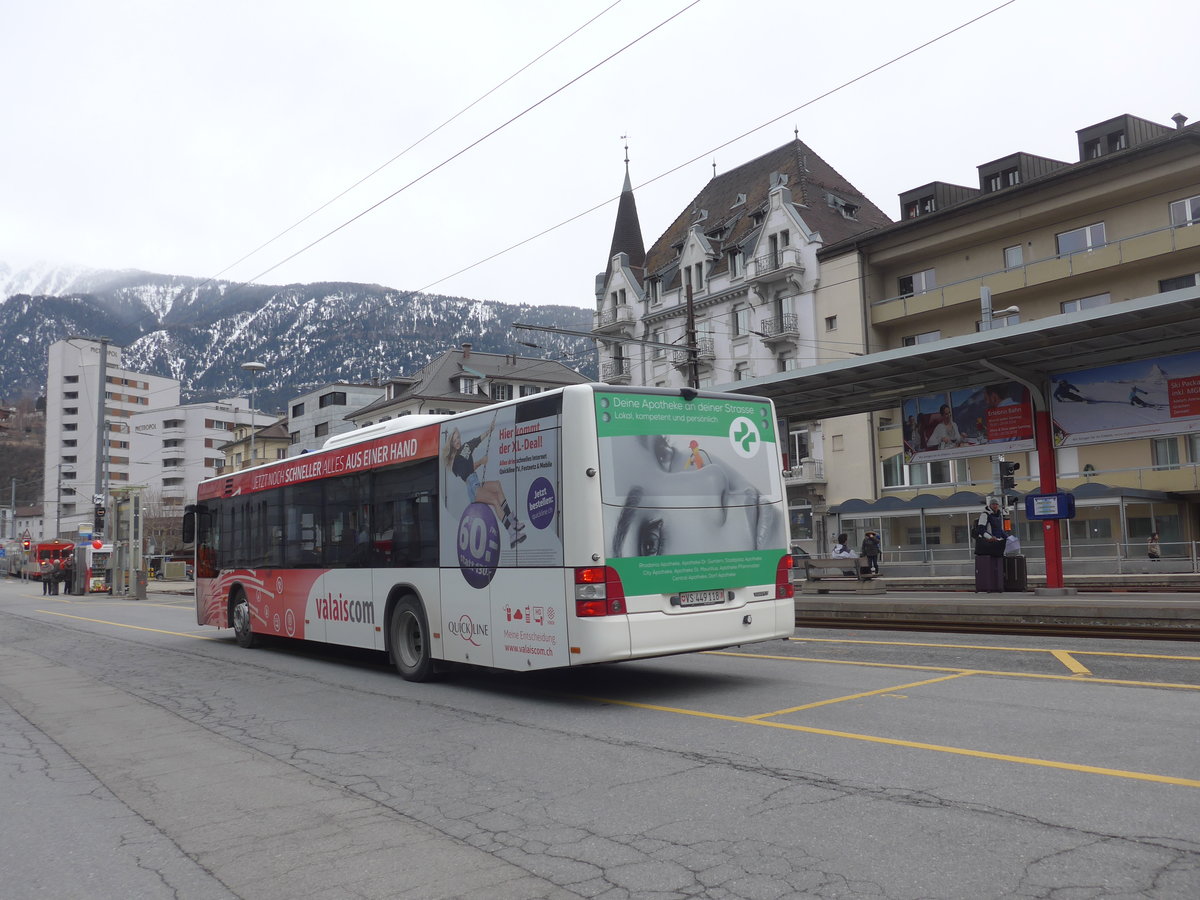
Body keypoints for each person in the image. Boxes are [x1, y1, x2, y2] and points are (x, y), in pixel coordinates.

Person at [443, 423, 526, 548]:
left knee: (497, 485)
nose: (457, 441)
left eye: (458, 438)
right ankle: (512, 534)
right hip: (472, 487)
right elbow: (466, 472)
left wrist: (489, 430)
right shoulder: (454, 463)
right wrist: (481, 462)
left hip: (476, 481)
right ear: (451, 444)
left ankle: (513, 521)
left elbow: (478, 440)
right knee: (494, 499)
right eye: (454, 440)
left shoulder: (466, 447)